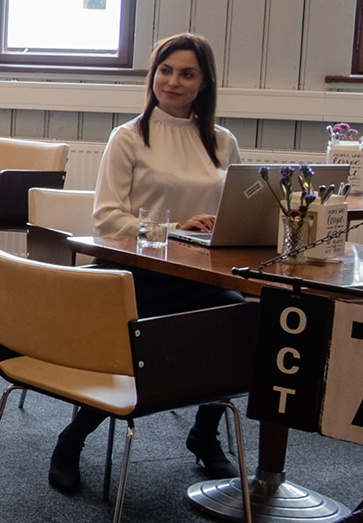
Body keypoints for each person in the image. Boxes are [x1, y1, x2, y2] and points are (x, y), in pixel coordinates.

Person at [51, 31, 244, 493]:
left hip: (200, 271)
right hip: (138, 271)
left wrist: (219, 224)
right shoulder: (129, 137)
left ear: (204, 83)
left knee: (243, 317)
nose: (172, 81)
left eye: (186, 73)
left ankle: (204, 432)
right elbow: (107, 217)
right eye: (165, 70)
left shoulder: (222, 141)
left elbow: (236, 210)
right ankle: (72, 438)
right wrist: (177, 226)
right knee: (143, 336)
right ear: (153, 75)